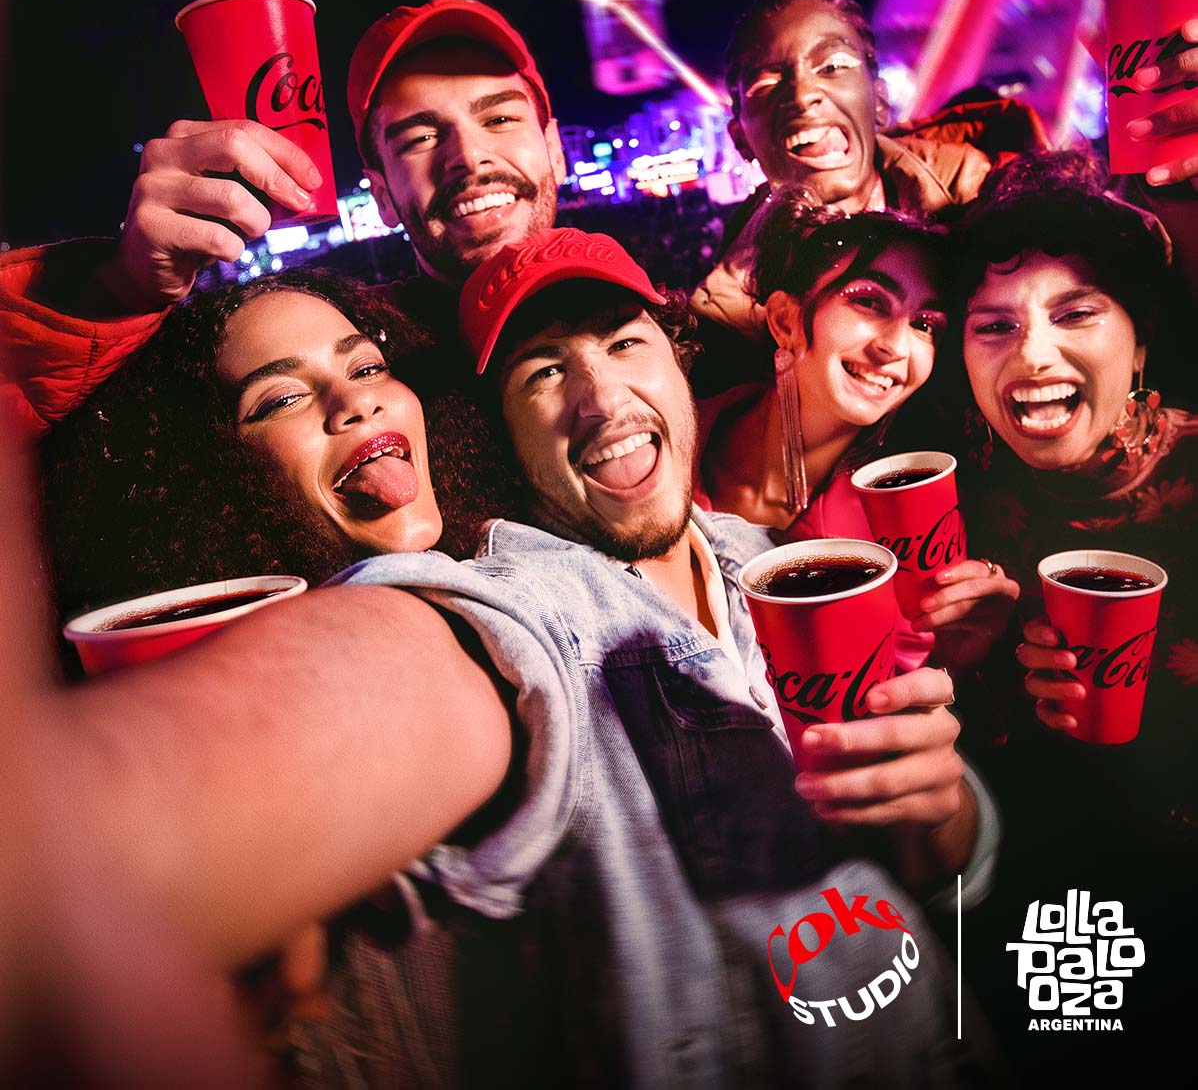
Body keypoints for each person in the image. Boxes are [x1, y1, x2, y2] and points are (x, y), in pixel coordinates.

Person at [27, 226, 1007, 1088]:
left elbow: (933, 867)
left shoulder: (773, 567)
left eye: (627, 343)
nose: (600, 394)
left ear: (679, 360)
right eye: (542, 371)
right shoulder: (519, 615)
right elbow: (392, 672)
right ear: (496, 431)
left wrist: (944, 817)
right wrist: (143, 848)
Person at [0, 0, 568, 436]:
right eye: (420, 137)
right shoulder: (340, 357)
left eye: (499, 121)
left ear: (555, 149)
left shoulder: (657, 322)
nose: (467, 158)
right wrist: (120, 294)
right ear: (383, 196)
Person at [946, 149, 1198, 1081]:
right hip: (1049, 911)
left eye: (1078, 313)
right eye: (994, 324)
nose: (1034, 354)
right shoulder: (943, 504)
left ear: (1140, 342)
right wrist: (970, 676)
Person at [38, 267, 519, 622]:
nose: (354, 400)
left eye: (367, 368)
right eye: (284, 399)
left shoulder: (521, 560)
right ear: (214, 473)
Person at [694, 191, 1019, 673]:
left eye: (925, 325)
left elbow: (901, 684)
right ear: (785, 320)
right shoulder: (667, 451)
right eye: (868, 301)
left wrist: (965, 647)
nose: (896, 347)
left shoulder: (911, 523)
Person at [688, 0, 1050, 392]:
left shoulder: (982, 197)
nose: (803, 96)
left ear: (879, 102)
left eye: (833, 66)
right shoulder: (725, 318)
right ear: (740, 139)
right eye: (765, 86)